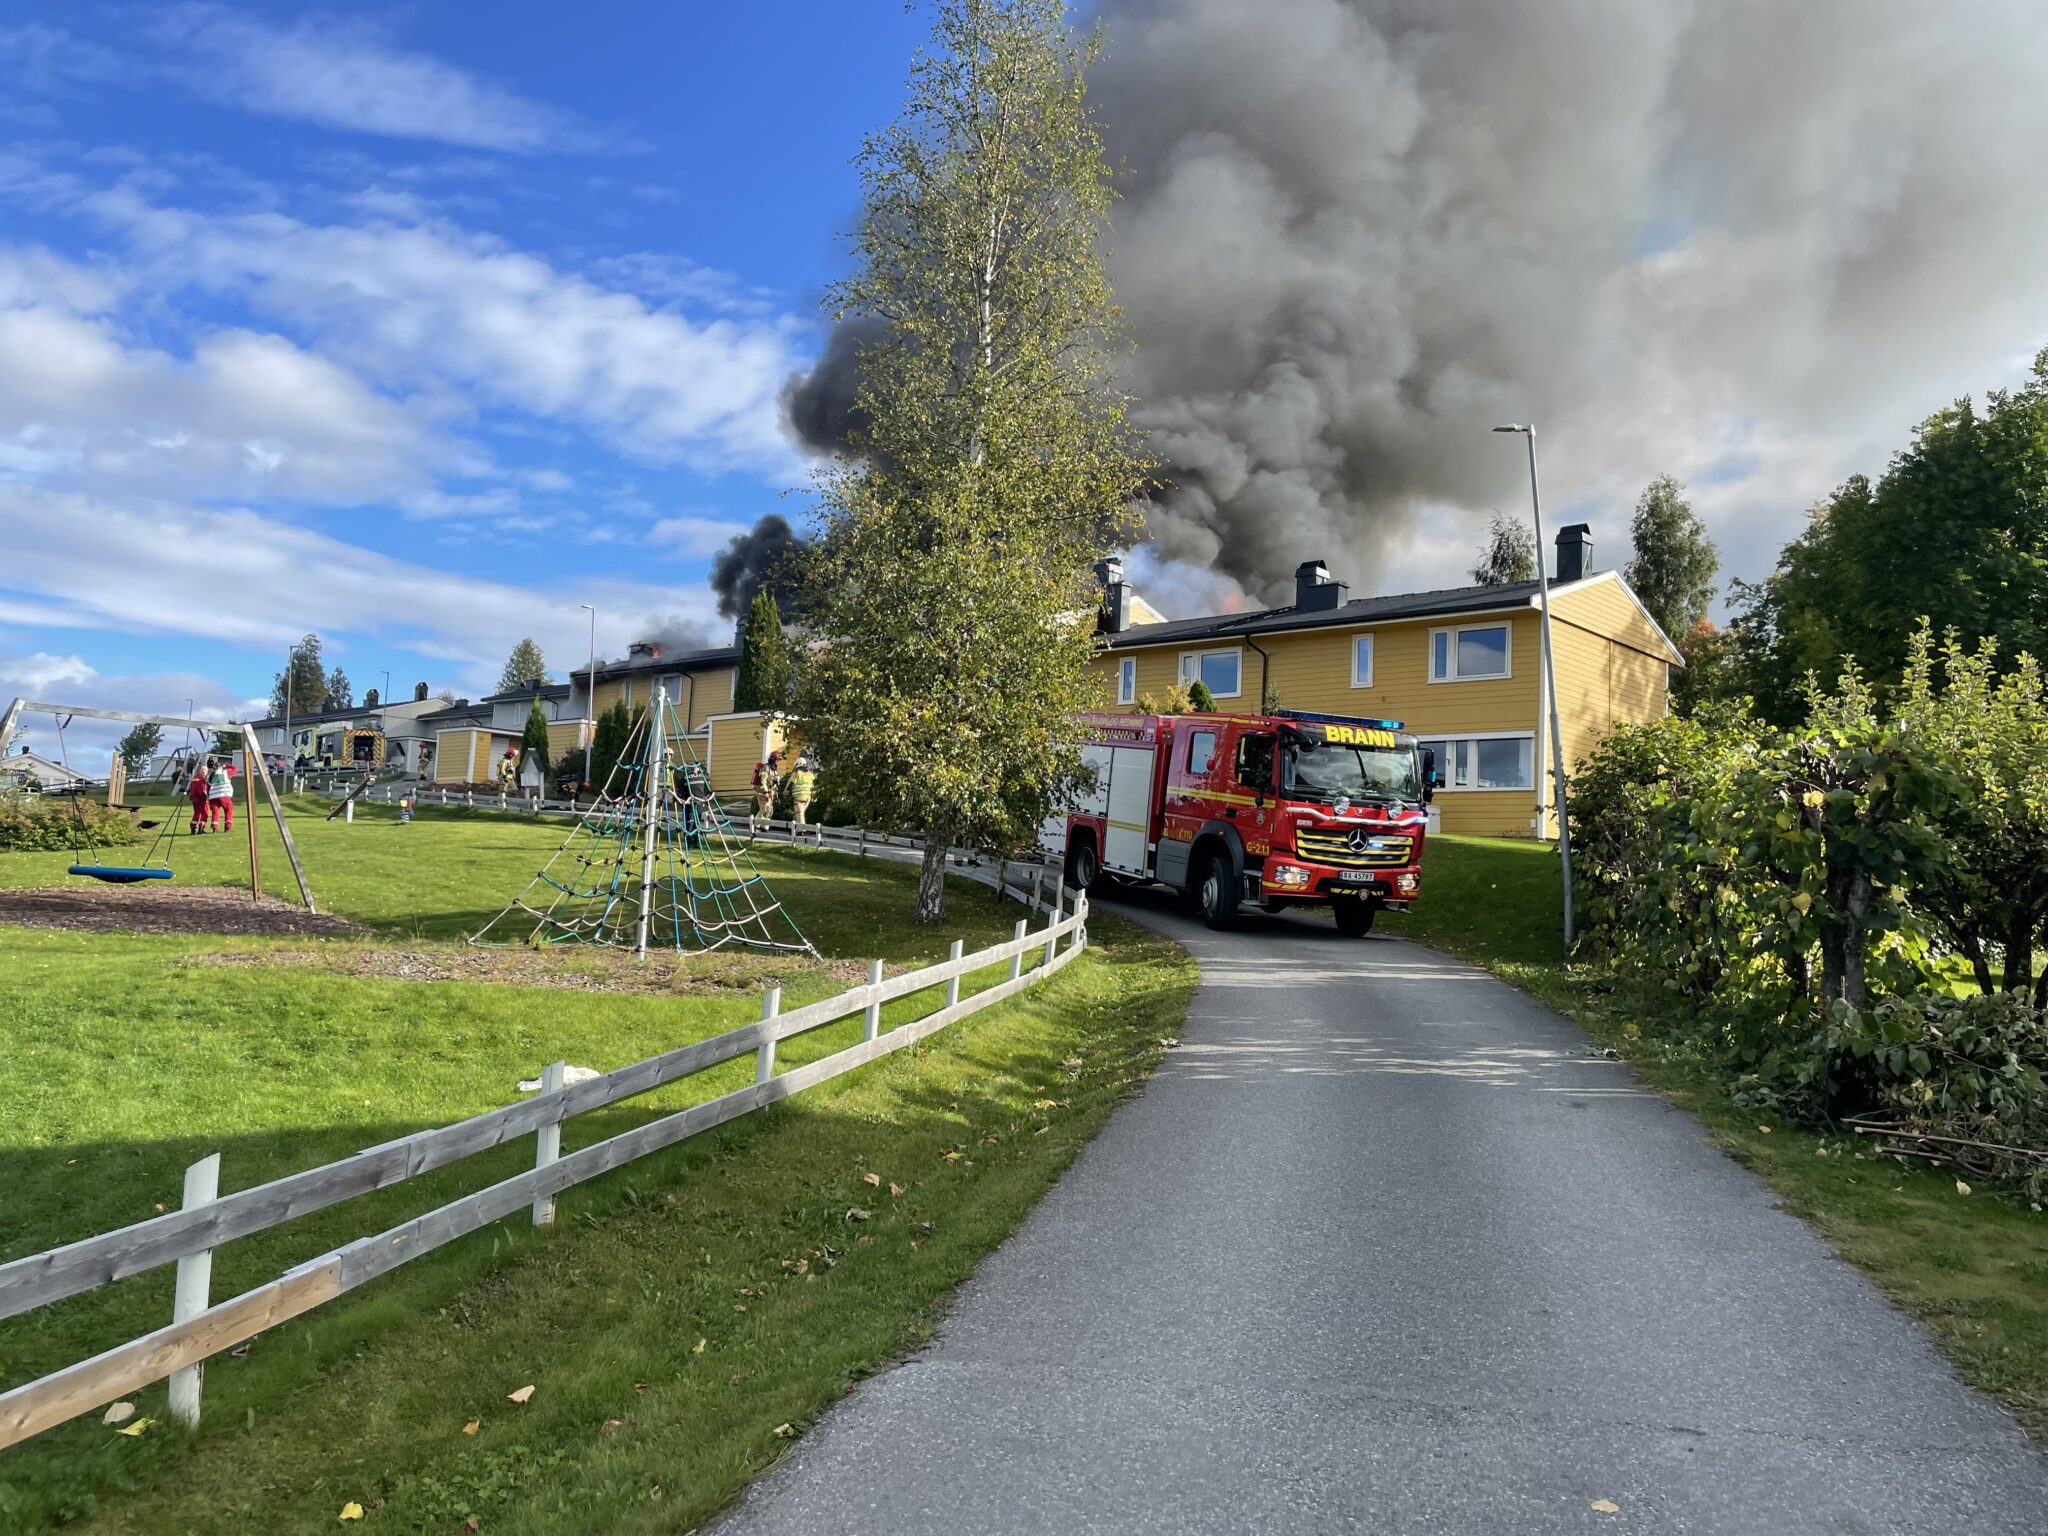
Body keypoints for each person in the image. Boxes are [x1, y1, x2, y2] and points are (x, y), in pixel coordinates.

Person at [752, 751, 780, 826]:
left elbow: (773, 782)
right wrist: (765, 792)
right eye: (777, 759)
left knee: (769, 810)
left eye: (779, 760)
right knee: (763, 809)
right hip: (762, 792)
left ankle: (764, 827)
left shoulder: (774, 770)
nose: (778, 761)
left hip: (771, 793)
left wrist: (776, 792)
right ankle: (755, 826)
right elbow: (763, 781)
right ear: (773, 759)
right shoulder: (766, 768)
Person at [207, 756, 234, 832]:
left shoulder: (211, 775)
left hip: (213, 796)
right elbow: (235, 769)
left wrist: (209, 796)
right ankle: (228, 827)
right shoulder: (225, 773)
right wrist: (227, 765)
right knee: (228, 809)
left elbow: (208, 785)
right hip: (223, 794)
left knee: (215, 812)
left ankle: (214, 828)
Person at [187, 756, 213, 833]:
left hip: (194, 799)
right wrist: (206, 797)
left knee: (196, 813)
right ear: (205, 771)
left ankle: (193, 827)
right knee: (204, 813)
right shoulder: (202, 779)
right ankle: (201, 829)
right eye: (205, 771)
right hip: (201, 799)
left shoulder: (194, 777)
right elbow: (201, 790)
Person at [790, 755, 817, 827]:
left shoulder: (797, 772)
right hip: (808, 797)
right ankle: (794, 829)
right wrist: (814, 796)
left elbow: (791, 783)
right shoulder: (810, 773)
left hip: (799, 796)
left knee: (799, 813)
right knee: (799, 812)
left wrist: (785, 792)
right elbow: (814, 785)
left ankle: (801, 830)